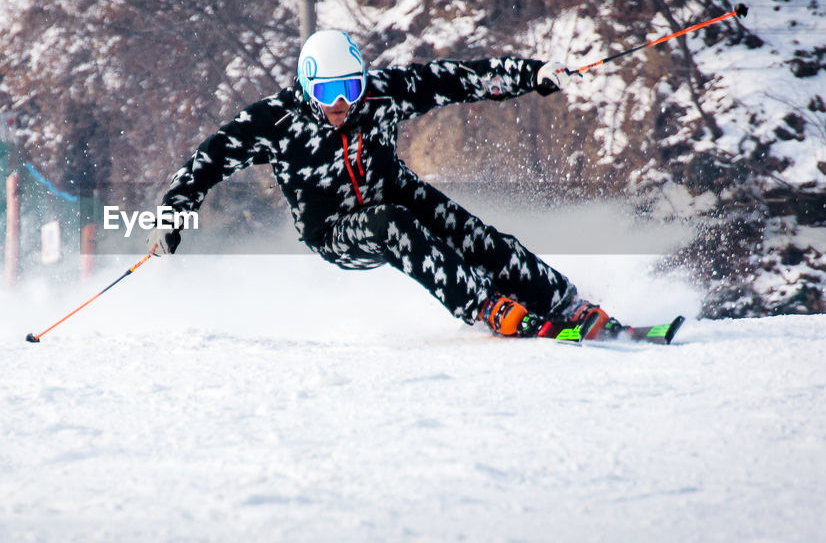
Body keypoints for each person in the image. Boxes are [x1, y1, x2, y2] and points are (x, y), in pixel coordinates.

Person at [146, 29, 619, 338]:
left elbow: (456, 79)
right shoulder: (275, 121)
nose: (340, 104)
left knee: (473, 234)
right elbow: (207, 161)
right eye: (327, 93)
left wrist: (530, 74)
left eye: (350, 89)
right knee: (391, 224)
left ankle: (564, 302)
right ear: (307, 87)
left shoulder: (379, 95)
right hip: (334, 229)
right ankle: (485, 306)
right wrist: (171, 217)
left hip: (395, 190)